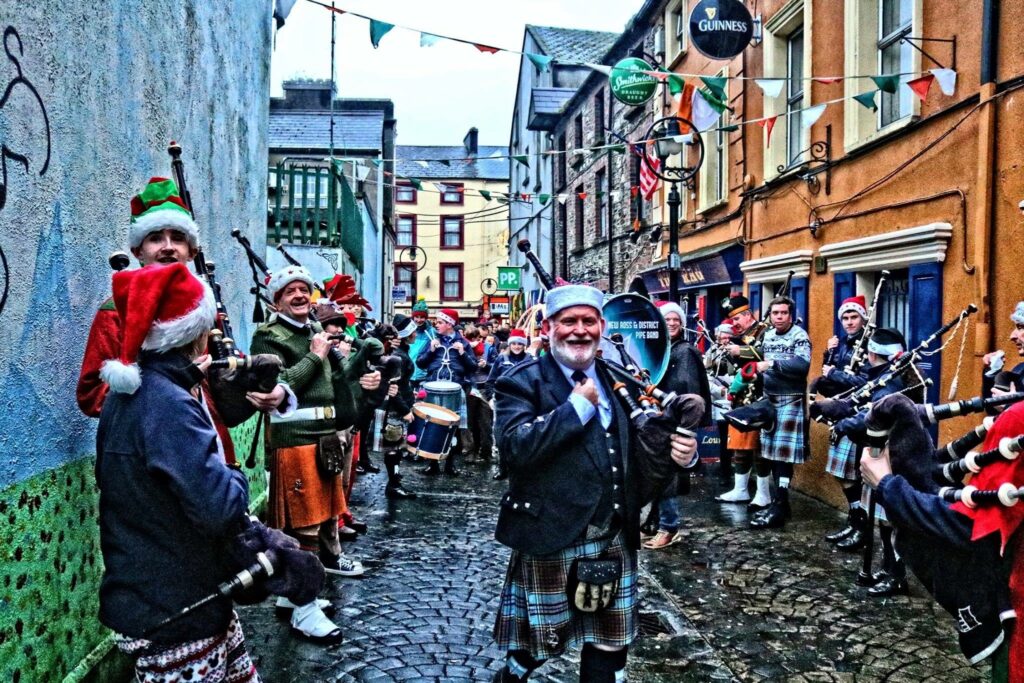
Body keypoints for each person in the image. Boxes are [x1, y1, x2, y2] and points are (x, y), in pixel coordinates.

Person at [491, 284, 700, 683]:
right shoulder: (522, 381)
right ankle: (512, 674)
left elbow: (643, 451)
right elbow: (514, 449)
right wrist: (577, 408)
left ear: (602, 326)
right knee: (542, 642)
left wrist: (682, 456)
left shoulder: (617, 376)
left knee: (610, 641)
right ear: (549, 327)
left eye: (589, 321)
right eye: (568, 321)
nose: (579, 330)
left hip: (614, 534)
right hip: (552, 531)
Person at [95, 263, 274, 682]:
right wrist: (235, 474)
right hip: (176, 607)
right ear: (192, 331)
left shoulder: (134, 392)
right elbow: (220, 508)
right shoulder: (168, 403)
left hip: (171, 597)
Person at [250, 265, 383, 644]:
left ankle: (294, 598)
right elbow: (275, 387)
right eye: (288, 290)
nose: (297, 295)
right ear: (276, 299)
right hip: (294, 439)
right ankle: (305, 608)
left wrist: (364, 379)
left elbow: (337, 381)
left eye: (303, 289)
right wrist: (314, 356)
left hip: (324, 439)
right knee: (303, 527)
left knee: (323, 516)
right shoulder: (268, 336)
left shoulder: (314, 331)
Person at [76, 177, 247, 466]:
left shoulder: (206, 309)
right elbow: (92, 394)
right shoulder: (115, 312)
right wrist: (168, 387)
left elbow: (228, 381)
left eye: (178, 238)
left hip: (210, 455)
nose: (168, 247)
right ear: (137, 252)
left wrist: (261, 388)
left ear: (192, 252)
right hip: (147, 460)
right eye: (155, 238)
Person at [820, 328, 914, 596]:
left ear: (873, 353)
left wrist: (845, 421)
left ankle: (896, 575)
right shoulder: (887, 376)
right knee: (884, 522)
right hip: (885, 453)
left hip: (892, 454)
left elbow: (871, 416)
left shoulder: (890, 383)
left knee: (889, 521)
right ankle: (888, 570)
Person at [643, 301, 712, 550]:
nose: (672, 323)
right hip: (658, 417)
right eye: (667, 319)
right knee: (656, 473)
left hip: (674, 419)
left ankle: (668, 527)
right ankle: (655, 523)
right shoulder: (660, 350)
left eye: (676, 320)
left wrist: (686, 423)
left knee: (666, 474)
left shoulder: (685, 351)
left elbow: (691, 392)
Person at [748, 296, 811, 530]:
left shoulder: (799, 336)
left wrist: (771, 365)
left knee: (783, 457)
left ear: (790, 314)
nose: (779, 317)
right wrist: (756, 373)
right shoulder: (768, 335)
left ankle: (781, 503)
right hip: (770, 399)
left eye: (784, 313)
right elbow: (759, 361)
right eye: (775, 313)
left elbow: (802, 366)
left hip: (791, 400)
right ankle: (779, 503)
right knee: (772, 455)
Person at [815, 296, 871, 549]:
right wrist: (830, 354)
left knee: (856, 475)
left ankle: (862, 527)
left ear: (863, 318)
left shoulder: (871, 345)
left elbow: (866, 383)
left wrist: (834, 374)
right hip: (841, 413)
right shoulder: (843, 344)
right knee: (842, 473)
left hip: (859, 415)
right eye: (845, 318)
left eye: (854, 317)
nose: (849, 322)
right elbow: (828, 377)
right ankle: (854, 519)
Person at [416, 307, 478, 476]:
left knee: (453, 427)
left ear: (450, 325)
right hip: (434, 388)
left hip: (455, 389)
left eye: (441, 322)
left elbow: (473, 366)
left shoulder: (463, 343)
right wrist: (431, 350)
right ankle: (432, 463)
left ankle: (450, 464)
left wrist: (463, 353)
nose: (437, 324)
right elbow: (420, 363)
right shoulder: (433, 341)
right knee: (432, 424)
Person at [718, 295, 767, 505]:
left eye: (737, 319)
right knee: (740, 446)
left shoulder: (765, 331)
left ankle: (763, 494)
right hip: (741, 398)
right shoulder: (745, 335)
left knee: (759, 448)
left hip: (759, 397)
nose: (734, 324)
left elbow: (767, 354)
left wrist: (741, 350)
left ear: (748, 315)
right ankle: (740, 490)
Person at [485, 328, 532, 481]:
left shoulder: (530, 360)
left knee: (523, 436)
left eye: (520, 344)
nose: (517, 347)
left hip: (523, 403)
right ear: (509, 344)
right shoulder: (501, 359)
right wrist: (491, 396)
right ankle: (503, 468)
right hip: (503, 403)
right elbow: (491, 380)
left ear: (524, 345)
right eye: (514, 344)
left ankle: (520, 469)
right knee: (501, 436)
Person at [381, 313, 418, 498]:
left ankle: (395, 481)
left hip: (401, 404)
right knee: (394, 447)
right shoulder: (399, 356)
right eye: (413, 332)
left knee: (397, 446)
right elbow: (393, 386)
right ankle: (393, 485)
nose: (416, 335)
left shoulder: (401, 353)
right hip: (396, 408)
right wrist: (404, 410)